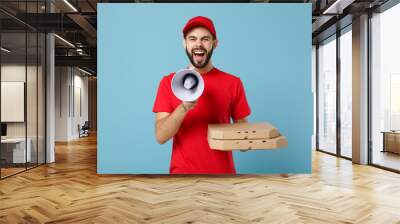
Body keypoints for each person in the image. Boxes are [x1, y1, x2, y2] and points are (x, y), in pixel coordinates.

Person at [152, 16, 251, 174]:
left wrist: (242, 136)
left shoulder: (233, 83)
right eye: (192, 39)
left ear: (214, 43)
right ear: (185, 43)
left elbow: (245, 145)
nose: (198, 44)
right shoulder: (168, 83)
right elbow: (160, 137)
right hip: (182, 177)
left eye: (205, 39)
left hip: (223, 176)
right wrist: (183, 108)